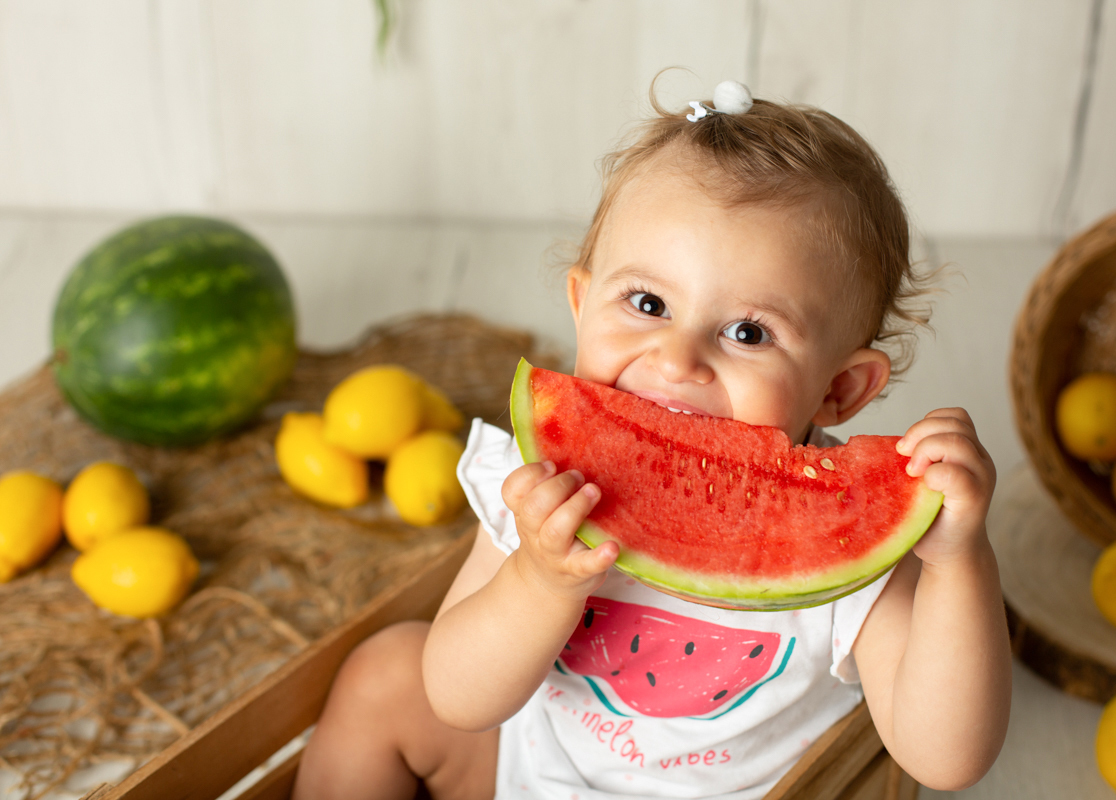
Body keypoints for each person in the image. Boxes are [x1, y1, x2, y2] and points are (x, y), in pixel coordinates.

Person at [293, 80, 1011, 800]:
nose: (677, 359)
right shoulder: (538, 486)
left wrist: (957, 562)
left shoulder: (848, 542)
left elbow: (945, 759)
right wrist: (538, 582)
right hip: (528, 772)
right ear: (582, 306)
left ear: (840, 389)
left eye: (748, 332)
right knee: (384, 676)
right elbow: (457, 697)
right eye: (648, 303)